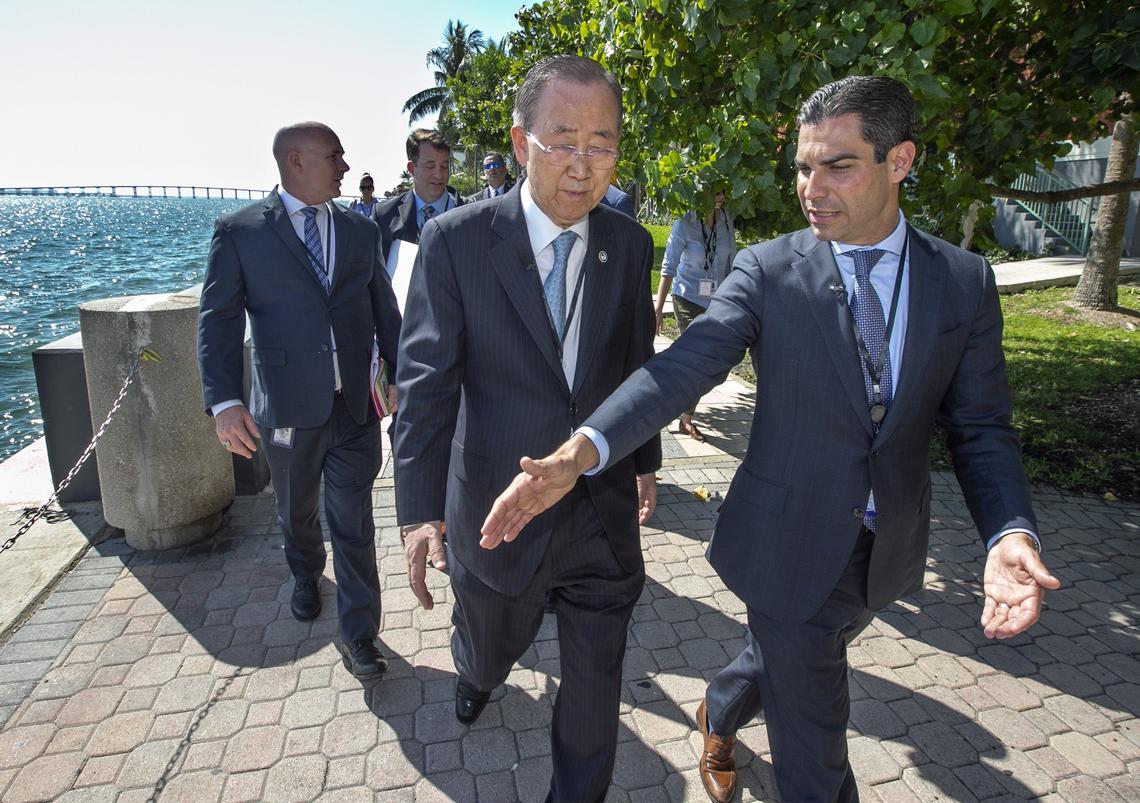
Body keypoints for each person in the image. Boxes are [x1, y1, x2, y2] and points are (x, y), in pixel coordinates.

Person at [480, 76, 1060, 803]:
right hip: (786, 547)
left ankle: (718, 709)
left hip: (885, 550)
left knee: (790, 654)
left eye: (837, 165)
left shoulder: (964, 282)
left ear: (900, 161)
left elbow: (980, 427)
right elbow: (677, 372)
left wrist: (1009, 530)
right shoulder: (768, 269)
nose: (811, 188)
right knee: (815, 750)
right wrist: (582, 450)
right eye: (802, 166)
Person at [393, 56, 661, 802]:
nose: (584, 164)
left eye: (602, 143)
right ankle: (476, 671)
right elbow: (424, 385)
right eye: (563, 139)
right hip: (494, 511)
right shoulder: (456, 241)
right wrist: (418, 510)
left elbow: (636, 364)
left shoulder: (629, 244)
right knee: (489, 648)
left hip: (600, 512)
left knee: (595, 685)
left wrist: (644, 460)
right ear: (519, 143)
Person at [197, 122, 402, 682]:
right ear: (295, 161)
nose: (344, 165)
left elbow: (384, 309)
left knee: (355, 522)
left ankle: (360, 633)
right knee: (295, 511)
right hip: (285, 408)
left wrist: (402, 374)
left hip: (354, 409)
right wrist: (224, 402)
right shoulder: (240, 233)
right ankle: (306, 571)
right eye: (334, 156)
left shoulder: (359, 232)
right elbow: (217, 322)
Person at [654, 190, 736, 441]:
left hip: (716, 299)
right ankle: (685, 417)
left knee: (706, 361)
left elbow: (729, 262)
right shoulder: (685, 223)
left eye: (723, 192)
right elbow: (668, 267)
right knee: (697, 359)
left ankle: (680, 404)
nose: (720, 196)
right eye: (715, 191)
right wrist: (658, 309)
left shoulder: (726, 220)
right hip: (687, 297)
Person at [371, 128, 464, 259]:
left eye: (444, 166)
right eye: (430, 166)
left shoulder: (470, 212)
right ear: (411, 168)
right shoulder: (384, 216)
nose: (439, 175)